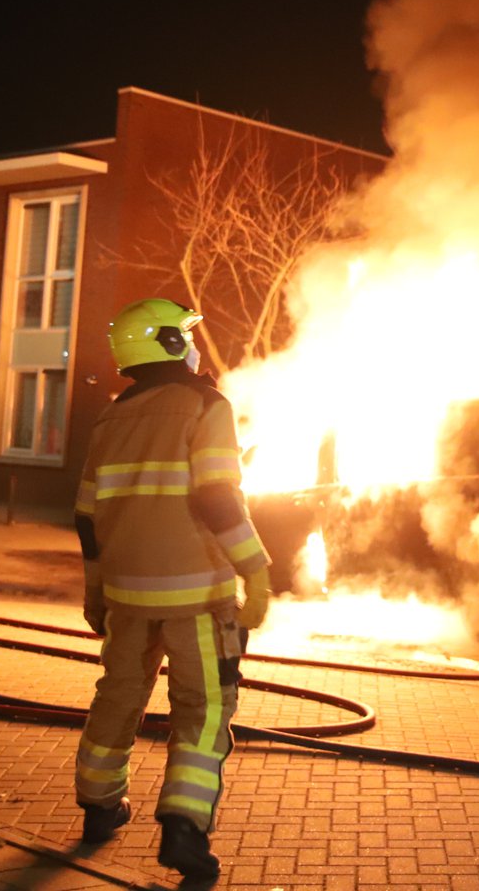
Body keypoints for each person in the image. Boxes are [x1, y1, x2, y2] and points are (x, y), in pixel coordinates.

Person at [73, 298, 272, 880]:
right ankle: (184, 828)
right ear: (166, 342)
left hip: (126, 596)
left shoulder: (110, 418)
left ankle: (99, 807)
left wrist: (96, 593)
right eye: (185, 335)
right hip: (196, 596)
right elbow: (218, 496)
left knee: (117, 697)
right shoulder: (207, 405)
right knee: (204, 707)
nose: (194, 346)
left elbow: (86, 517)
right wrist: (256, 569)